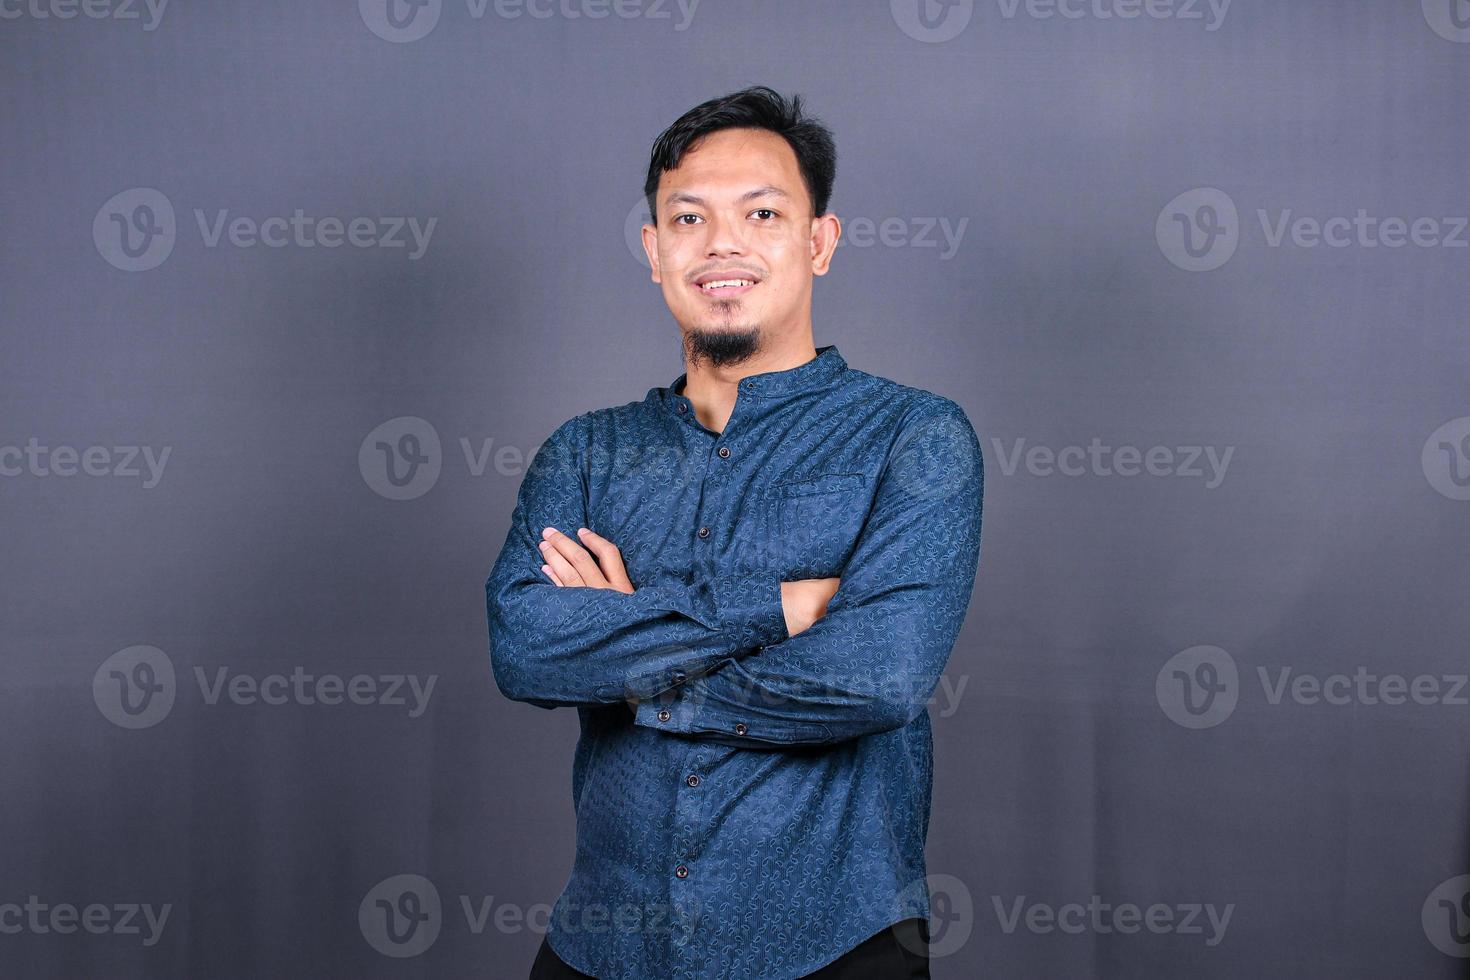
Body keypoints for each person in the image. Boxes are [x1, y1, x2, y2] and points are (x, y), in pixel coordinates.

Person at [486, 85, 984, 980]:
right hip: (601, 949)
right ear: (653, 251)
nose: (722, 245)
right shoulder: (586, 452)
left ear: (819, 242)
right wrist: (780, 607)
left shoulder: (915, 438)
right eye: (688, 218)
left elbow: (876, 679)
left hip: (835, 946)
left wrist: (631, 666)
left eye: (762, 213)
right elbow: (525, 648)